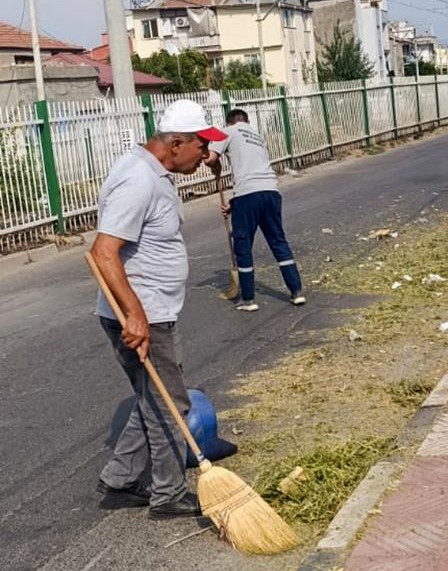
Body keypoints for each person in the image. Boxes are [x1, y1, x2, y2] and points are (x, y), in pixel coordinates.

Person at [90, 100, 227, 519]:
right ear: (177, 142)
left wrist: (212, 161)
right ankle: (167, 495)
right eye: (202, 147)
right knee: (172, 404)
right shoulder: (139, 180)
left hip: (148, 310)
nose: (205, 155)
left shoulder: (155, 169)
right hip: (143, 315)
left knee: (156, 398)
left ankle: (120, 478)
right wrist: (136, 315)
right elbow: (104, 252)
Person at [205, 109, 305, 312]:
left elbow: (209, 158)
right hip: (271, 191)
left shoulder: (228, 132)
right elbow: (254, 171)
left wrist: (215, 165)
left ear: (229, 121)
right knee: (278, 241)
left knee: (242, 244)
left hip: (247, 194)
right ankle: (296, 292)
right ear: (247, 121)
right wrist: (233, 204)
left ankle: (248, 299)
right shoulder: (257, 136)